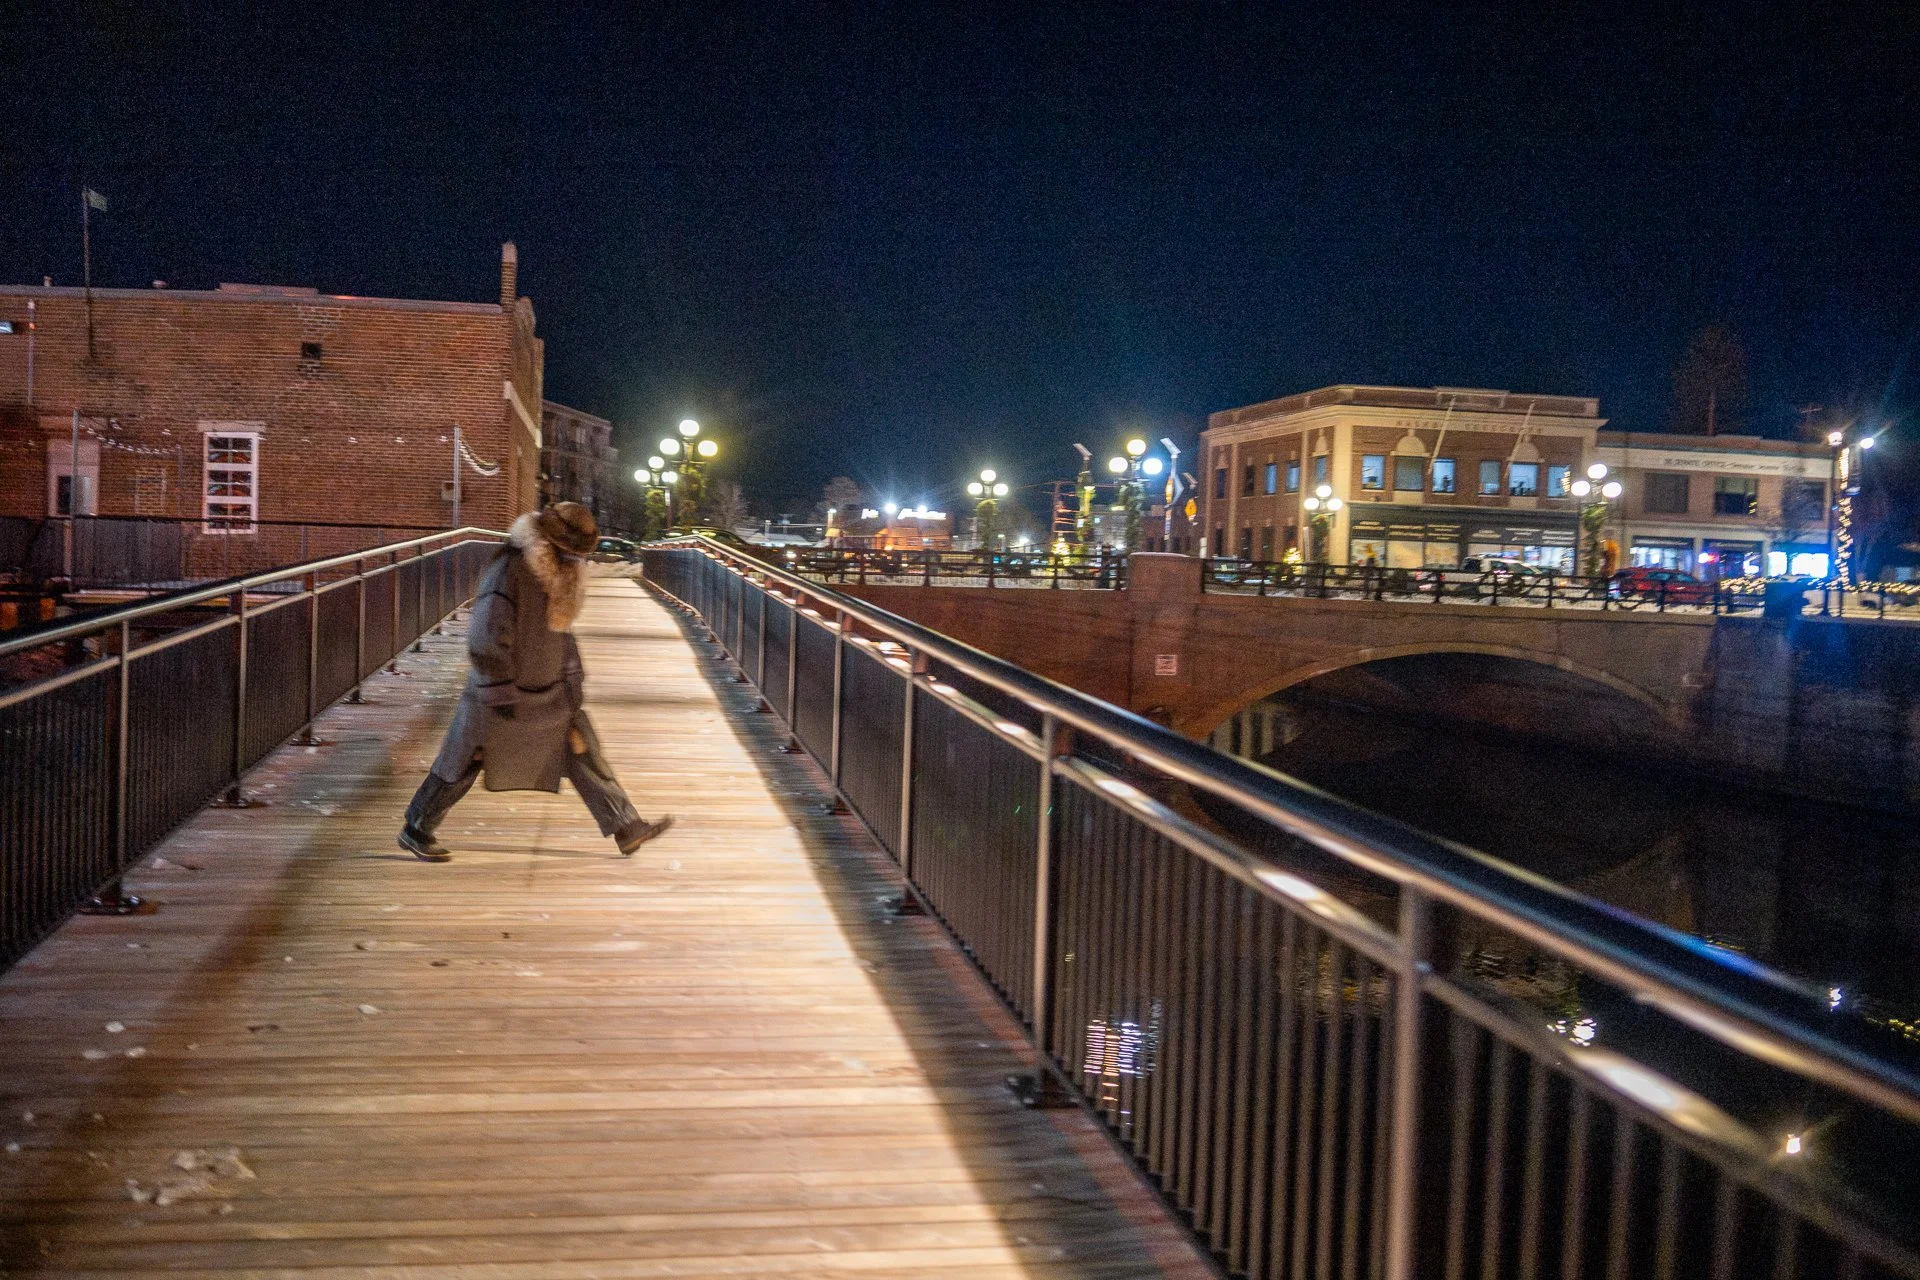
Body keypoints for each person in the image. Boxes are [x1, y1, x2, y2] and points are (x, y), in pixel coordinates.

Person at [398, 502, 673, 862]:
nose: (577, 562)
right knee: (465, 758)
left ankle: (626, 826)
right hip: (502, 690)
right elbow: (487, 633)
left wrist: (572, 684)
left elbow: (561, 636)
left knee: (582, 750)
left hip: (550, 691)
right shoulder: (510, 569)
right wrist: (499, 689)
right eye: (571, 554)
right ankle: (417, 828)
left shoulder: (560, 574)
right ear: (551, 544)